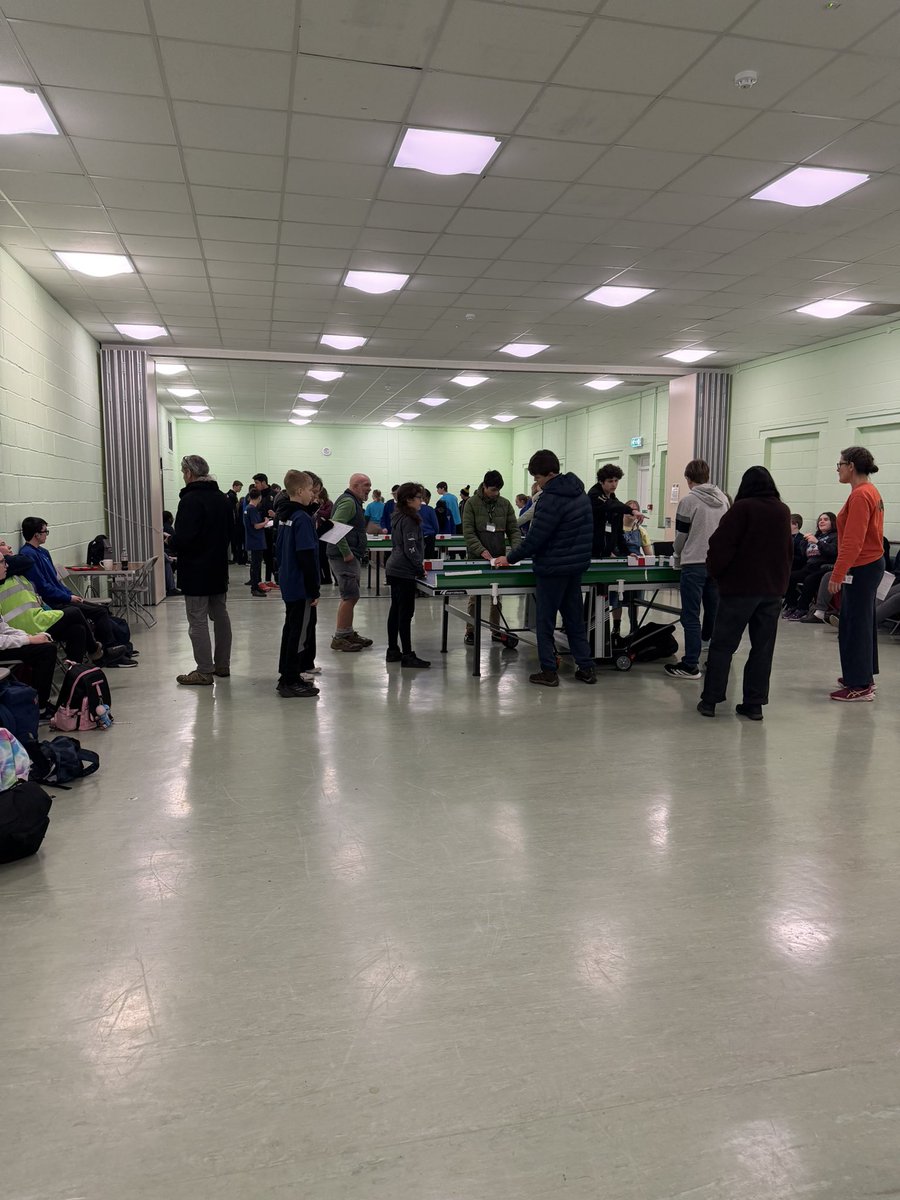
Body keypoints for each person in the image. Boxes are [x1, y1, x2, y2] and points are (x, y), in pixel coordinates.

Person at [697, 467, 793, 721]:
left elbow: (720, 545)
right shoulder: (782, 511)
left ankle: (710, 701)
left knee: (723, 646)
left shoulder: (742, 509)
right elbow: (787, 551)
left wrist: (716, 573)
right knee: (763, 648)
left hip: (739, 590)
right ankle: (754, 704)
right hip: (772, 591)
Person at [494, 450, 596, 687]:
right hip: (575, 567)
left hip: (552, 568)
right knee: (574, 620)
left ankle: (549, 671)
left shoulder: (550, 498)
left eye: (538, 478)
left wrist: (509, 558)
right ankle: (586, 667)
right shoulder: (580, 494)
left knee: (545, 622)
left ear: (549, 474)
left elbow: (535, 538)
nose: (536, 484)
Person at [17, 517, 128, 664]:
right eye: (45, 531)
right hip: (52, 602)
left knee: (100, 610)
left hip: (61, 596)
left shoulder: (43, 552)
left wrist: (70, 594)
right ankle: (108, 652)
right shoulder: (27, 555)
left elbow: (55, 582)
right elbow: (43, 587)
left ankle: (110, 648)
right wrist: (68, 598)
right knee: (98, 613)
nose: (46, 535)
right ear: (36, 534)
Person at [166, 454, 233, 686]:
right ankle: (222, 664)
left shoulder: (190, 500)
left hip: (196, 569)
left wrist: (170, 542)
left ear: (189, 474)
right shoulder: (222, 499)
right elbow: (229, 533)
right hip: (218, 567)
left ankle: (204, 670)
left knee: (197, 620)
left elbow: (184, 537)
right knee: (221, 615)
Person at [828, 446, 885, 701]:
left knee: (855, 625)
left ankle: (860, 684)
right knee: (861, 622)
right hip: (869, 564)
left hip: (862, 566)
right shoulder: (868, 491)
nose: (838, 469)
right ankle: (862, 675)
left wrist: (837, 574)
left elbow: (853, 540)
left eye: (839, 464)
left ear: (851, 466)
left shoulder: (861, 495)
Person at [664, 459, 729, 681]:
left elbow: (681, 535)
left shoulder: (689, 501)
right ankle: (712, 656)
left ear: (688, 479)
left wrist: (676, 552)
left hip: (693, 564)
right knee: (714, 612)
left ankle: (690, 664)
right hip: (717, 564)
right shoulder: (723, 499)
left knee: (690, 616)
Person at [274, 470, 321, 699]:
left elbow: (280, 548)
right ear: (300, 491)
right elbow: (306, 555)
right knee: (298, 633)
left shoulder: (285, 515)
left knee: (290, 629)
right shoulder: (301, 519)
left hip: (288, 580)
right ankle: (290, 680)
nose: (314, 494)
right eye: (311, 490)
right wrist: (314, 589)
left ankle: (286, 675)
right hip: (300, 584)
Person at [462, 470, 522, 645]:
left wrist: (515, 552)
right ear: (484, 486)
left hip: (499, 559)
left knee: (497, 596)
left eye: (498, 490)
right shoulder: (471, 504)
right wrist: (481, 551)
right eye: (493, 490)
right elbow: (468, 532)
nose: (496, 493)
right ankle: (470, 630)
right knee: (474, 597)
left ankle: (495, 630)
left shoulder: (504, 504)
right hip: (476, 557)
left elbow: (514, 530)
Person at [0, 554, 58, 716]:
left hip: (6, 642)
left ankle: (41, 702)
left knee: (45, 644)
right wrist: (28, 639)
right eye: (3, 562)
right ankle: (39, 707)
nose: (6, 566)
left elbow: (3, 628)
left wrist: (30, 636)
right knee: (46, 651)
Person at [327, 473, 374, 652]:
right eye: (366, 485)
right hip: (344, 556)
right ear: (355, 486)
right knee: (349, 596)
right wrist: (346, 552)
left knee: (351, 596)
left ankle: (347, 632)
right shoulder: (348, 502)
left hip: (349, 554)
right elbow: (335, 526)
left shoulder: (353, 501)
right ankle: (340, 637)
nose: (369, 488)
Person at [384, 482, 429, 668]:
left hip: (394, 568)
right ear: (409, 499)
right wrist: (419, 567)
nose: (422, 500)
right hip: (404, 571)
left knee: (395, 610)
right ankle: (408, 655)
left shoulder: (398, 515)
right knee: (405, 613)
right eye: (419, 497)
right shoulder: (410, 519)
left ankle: (393, 650)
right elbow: (411, 547)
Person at [783, 512, 838, 619]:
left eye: (825, 519)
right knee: (789, 577)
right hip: (810, 566)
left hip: (824, 566)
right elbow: (807, 555)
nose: (821, 521)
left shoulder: (835, 536)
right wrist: (804, 544)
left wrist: (817, 542)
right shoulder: (817, 535)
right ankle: (792, 605)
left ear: (832, 522)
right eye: (820, 519)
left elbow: (833, 551)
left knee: (809, 580)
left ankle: (802, 608)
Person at [252, 472, 276, 586]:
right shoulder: (257, 496)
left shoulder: (274, 495)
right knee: (259, 557)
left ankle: (269, 579)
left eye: (257, 483)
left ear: (263, 482)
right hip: (259, 529)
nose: (255, 485)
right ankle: (258, 580)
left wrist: (274, 515)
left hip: (271, 530)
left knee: (270, 556)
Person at [243, 489, 268, 597]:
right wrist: (266, 522)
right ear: (259, 497)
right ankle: (254, 588)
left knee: (256, 565)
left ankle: (256, 586)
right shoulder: (252, 509)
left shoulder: (247, 508)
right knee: (256, 565)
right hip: (256, 540)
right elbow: (256, 525)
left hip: (253, 539)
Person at [317, 486, 333, 585]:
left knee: (323, 557)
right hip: (318, 531)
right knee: (319, 557)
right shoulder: (318, 504)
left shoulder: (329, 503)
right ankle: (321, 578)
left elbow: (328, 514)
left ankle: (327, 578)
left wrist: (318, 510)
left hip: (325, 532)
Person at [227, 480, 245, 564]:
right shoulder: (232, 496)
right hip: (233, 522)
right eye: (240, 487)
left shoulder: (230, 495)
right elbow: (233, 510)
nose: (240, 489)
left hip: (232, 521)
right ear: (235, 486)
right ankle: (235, 557)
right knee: (234, 540)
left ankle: (234, 557)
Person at [162, 510, 180, 596]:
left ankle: (171, 587)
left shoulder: (162, 527)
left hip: (166, 552)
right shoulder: (169, 528)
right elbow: (175, 543)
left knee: (168, 562)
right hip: (169, 552)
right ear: (169, 519)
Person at [420, 488, 439, 557]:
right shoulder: (430, 509)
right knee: (429, 558)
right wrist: (435, 533)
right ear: (427, 498)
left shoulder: (413, 509)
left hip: (417, 537)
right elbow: (436, 526)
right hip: (429, 537)